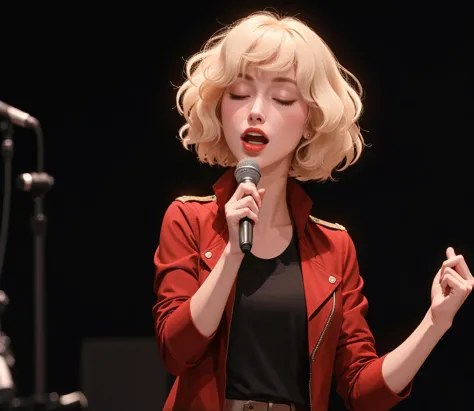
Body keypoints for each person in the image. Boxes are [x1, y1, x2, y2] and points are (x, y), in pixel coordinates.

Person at [152, 10, 473, 411]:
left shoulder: (333, 247)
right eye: (238, 93)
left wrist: (435, 322)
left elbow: (361, 392)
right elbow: (176, 352)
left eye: (282, 97)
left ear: (310, 119)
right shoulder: (189, 220)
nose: (255, 110)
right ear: (219, 108)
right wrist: (233, 254)